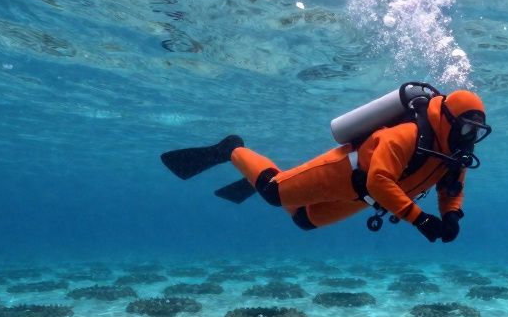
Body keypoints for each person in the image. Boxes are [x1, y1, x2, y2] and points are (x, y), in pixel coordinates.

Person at [160, 87, 490, 242]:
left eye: (476, 132)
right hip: (344, 172)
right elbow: (379, 181)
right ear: (447, 120)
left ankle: (260, 175)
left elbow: (451, 187)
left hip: (364, 198)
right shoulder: (405, 136)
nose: (469, 138)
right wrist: (420, 220)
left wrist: (451, 215)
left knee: (303, 220)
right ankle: (231, 149)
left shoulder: (454, 151)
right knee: (274, 194)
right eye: (465, 129)